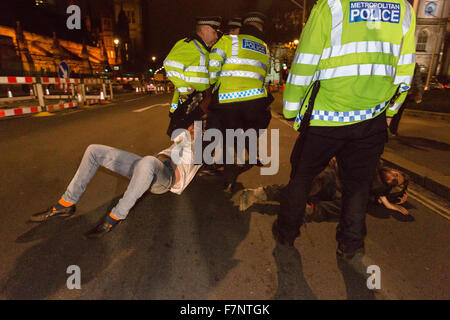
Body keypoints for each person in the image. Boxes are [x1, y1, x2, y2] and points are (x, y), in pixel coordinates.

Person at [275, 0, 416, 259]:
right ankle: (350, 244)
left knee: (302, 178)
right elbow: (405, 70)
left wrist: (292, 109)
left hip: (326, 117)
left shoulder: (332, 5)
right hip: (371, 118)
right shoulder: (404, 9)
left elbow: (305, 63)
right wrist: (391, 113)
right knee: (358, 186)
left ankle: (286, 233)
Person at [30, 126, 202, 239]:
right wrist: (188, 133)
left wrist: (202, 135)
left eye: (199, 125)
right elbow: (178, 134)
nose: (194, 127)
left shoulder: (204, 145)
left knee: (148, 162)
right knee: (94, 150)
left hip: (166, 178)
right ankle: (66, 203)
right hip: (148, 166)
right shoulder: (185, 137)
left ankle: (115, 217)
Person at [208, 11, 272, 192]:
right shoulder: (264, 47)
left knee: (229, 138)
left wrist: (214, 82)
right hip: (256, 102)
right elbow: (263, 73)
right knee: (249, 132)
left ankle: (229, 179)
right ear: (260, 27)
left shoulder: (229, 40)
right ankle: (251, 155)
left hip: (230, 100)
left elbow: (213, 66)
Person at [240, 159, 411, 219]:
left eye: (395, 181)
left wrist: (392, 202)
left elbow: (377, 198)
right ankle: (260, 194)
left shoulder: (379, 190)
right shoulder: (374, 163)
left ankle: (310, 210)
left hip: (337, 194)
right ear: (392, 169)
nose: (393, 178)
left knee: (348, 208)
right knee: (304, 189)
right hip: (330, 178)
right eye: (396, 174)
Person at [164, 16, 222, 115]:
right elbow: (169, 63)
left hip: (198, 105)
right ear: (205, 30)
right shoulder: (189, 45)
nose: (216, 36)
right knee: (189, 130)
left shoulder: (204, 50)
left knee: (197, 130)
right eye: (214, 32)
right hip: (189, 106)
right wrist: (185, 89)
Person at [389, 64, 424, 135]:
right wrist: (419, 91)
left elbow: (417, 79)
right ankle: (392, 130)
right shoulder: (413, 64)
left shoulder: (414, 65)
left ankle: (392, 129)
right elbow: (417, 79)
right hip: (403, 91)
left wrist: (419, 91)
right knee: (397, 112)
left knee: (396, 111)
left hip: (398, 91)